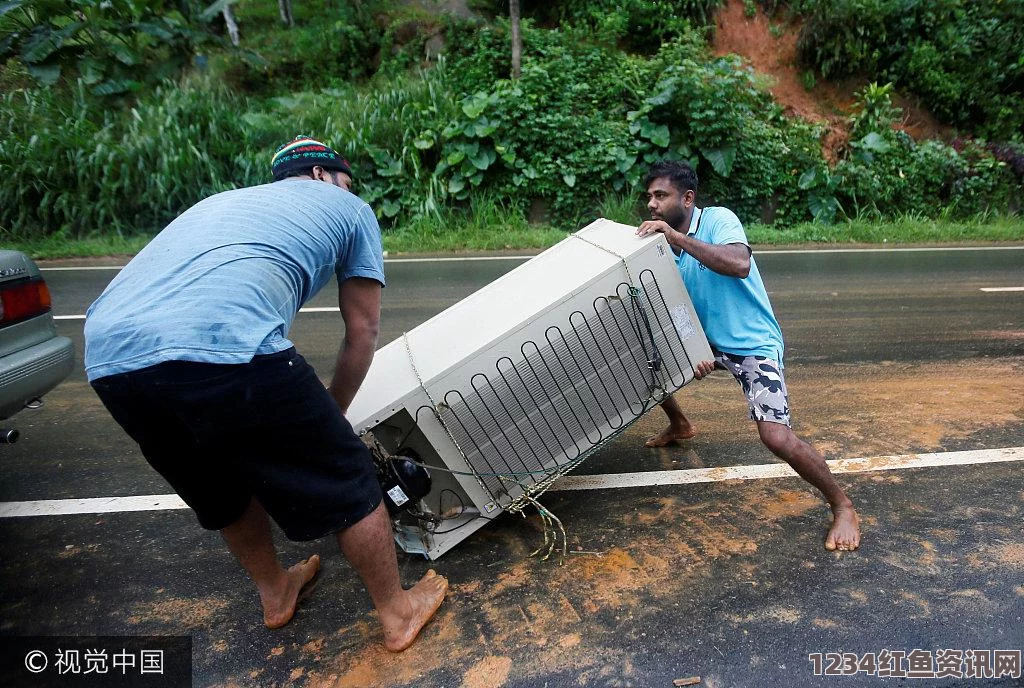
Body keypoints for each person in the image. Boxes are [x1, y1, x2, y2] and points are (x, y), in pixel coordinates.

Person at [84, 136, 448, 651]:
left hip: (110, 357)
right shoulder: (349, 206)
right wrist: (332, 418)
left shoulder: (221, 203)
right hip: (224, 338)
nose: (348, 189)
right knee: (346, 475)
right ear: (323, 175)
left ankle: (276, 593)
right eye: (345, 180)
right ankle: (398, 611)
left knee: (218, 486)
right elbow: (363, 330)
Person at [636, 160, 860, 552]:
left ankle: (842, 504)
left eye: (661, 196)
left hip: (751, 343)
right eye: (649, 197)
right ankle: (680, 423)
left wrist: (675, 237)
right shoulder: (663, 247)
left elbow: (738, 265)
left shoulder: (719, 220)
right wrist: (693, 350)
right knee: (644, 364)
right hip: (709, 343)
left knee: (775, 436)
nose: (651, 204)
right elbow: (674, 304)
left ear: (687, 199)